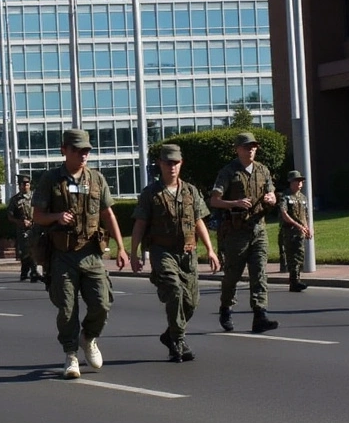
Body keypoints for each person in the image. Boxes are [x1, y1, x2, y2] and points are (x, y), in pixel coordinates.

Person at [32, 128, 129, 379]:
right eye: (78, 150)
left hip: (91, 254)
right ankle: (71, 354)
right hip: (62, 254)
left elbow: (108, 214)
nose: (84, 155)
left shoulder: (96, 179)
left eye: (87, 150)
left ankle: (88, 337)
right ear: (64, 150)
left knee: (102, 302)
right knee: (66, 308)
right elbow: (37, 216)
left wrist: (120, 247)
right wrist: (56, 216)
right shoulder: (51, 180)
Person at [130, 144, 220, 363]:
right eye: (167, 162)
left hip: (187, 254)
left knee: (191, 302)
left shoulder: (190, 190)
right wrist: (133, 253)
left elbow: (199, 221)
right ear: (160, 164)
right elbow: (140, 224)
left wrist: (210, 250)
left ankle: (170, 335)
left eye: (175, 163)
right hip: (162, 252)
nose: (172, 167)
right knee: (174, 291)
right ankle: (178, 341)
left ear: (181, 164)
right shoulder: (151, 193)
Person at [211, 132, 280, 333]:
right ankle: (226, 308)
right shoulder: (229, 172)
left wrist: (271, 199)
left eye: (253, 146)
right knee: (233, 274)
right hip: (236, 232)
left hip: (258, 229)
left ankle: (260, 314)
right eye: (247, 146)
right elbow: (214, 200)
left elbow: (272, 193)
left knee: (259, 273)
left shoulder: (263, 170)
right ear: (237, 149)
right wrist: (235, 203)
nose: (251, 149)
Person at [279, 170, 313, 293]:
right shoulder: (286, 196)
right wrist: (297, 225)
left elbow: (306, 215)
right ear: (291, 182)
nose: (299, 183)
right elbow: (284, 213)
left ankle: (297, 279)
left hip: (301, 231)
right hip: (290, 231)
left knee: (300, 255)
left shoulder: (303, 197)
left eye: (301, 181)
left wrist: (308, 228)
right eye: (297, 181)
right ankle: (294, 281)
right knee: (292, 256)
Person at [7, 174, 39, 282]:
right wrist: (20, 222)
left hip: (35, 228)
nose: (25, 186)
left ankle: (34, 271)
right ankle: (25, 271)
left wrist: (35, 221)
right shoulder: (15, 200)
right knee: (25, 252)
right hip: (22, 230)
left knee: (35, 249)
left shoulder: (36, 197)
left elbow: (42, 210)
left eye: (27, 184)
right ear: (19, 186)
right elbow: (10, 216)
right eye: (22, 184)